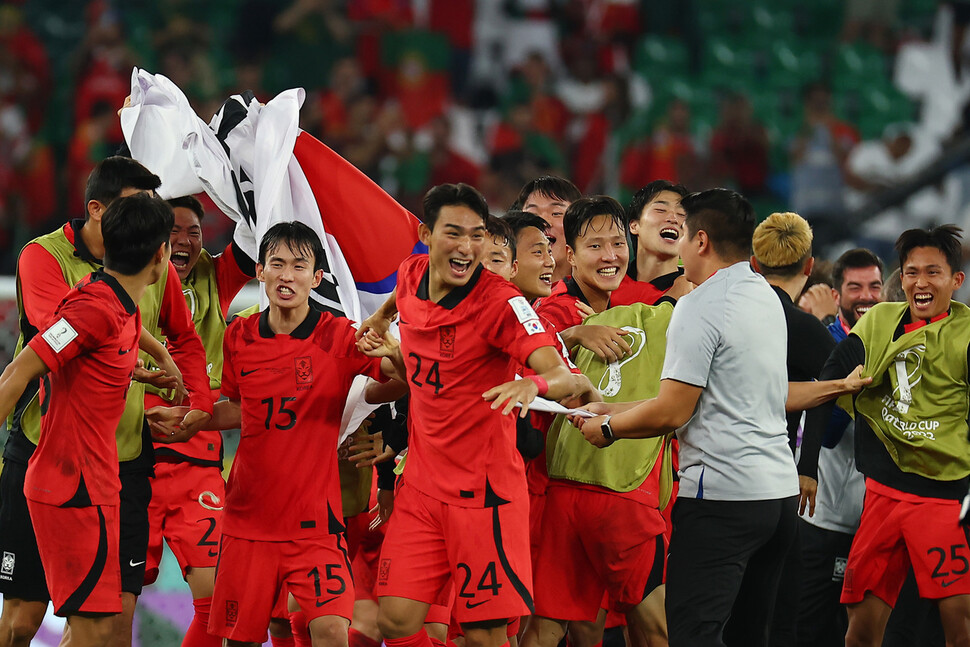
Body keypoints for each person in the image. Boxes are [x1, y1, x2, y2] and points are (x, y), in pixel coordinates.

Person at [570, 189, 868, 647]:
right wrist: (609, 407)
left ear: (702, 240)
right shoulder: (765, 297)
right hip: (778, 500)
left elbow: (673, 410)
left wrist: (608, 429)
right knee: (752, 636)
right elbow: (743, 395)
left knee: (693, 636)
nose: (679, 245)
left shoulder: (699, 305)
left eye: (684, 233)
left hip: (721, 500)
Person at [356, 183, 596, 647]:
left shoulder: (502, 304)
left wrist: (533, 383)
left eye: (477, 235)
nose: (466, 247)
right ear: (426, 234)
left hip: (483, 496)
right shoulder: (411, 273)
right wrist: (382, 319)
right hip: (422, 489)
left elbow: (564, 378)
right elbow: (399, 299)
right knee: (396, 621)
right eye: (454, 233)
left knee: (485, 634)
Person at [149, 221, 404, 647]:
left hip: (315, 526)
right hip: (248, 522)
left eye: (299, 266)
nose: (287, 275)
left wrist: (396, 352)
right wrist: (194, 416)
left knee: (330, 632)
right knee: (242, 640)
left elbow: (401, 381)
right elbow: (239, 408)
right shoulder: (239, 336)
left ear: (317, 277)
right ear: (261, 272)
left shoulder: (339, 336)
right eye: (277, 264)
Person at [0, 156, 212, 647]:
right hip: (68, 483)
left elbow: (144, 330)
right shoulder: (90, 304)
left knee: (106, 633)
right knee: (47, 627)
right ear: (160, 255)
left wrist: (168, 367)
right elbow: (22, 368)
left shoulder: (119, 298)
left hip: (109, 480)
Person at [807, 225, 970, 647]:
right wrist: (807, 468)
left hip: (942, 502)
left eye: (933, 272)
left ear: (956, 280)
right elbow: (828, 381)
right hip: (879, 497)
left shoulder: (967, 334)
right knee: (859, 633)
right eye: (911, 272)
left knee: (960, 627)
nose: (920, 282)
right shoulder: (880, 320)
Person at [524, 195, 672, 647]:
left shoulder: (633, 307)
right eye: (594, 247)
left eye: (616, 243)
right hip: (574, 488)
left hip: (577, 490)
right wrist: (570, 334)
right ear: (569, 254)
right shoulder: (553, 310)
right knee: (652, 630)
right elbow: (519, 355)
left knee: (564, 628)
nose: (610, 256)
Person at [142, 195, 256, 647]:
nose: (185, 240)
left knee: (216, 599)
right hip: (133, 462)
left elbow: (253, 239)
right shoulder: (131, 277)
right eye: (173, 230)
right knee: (113, 599)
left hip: (198, 466)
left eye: (194, 231)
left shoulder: (215, 275)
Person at [749, 212, 838, 646]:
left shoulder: (727, 314)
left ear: (753, 263)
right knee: (780, 608)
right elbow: (834, 385)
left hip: (710, 480)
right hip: (779, 480)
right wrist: (808, 466)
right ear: (808, 266)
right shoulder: (803, 327)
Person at [796, 247, 884, 647]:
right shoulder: (825, 339)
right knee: (813, 628)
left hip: (875, 523)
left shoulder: (891, 343)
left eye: (874, 286)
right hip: (824, 518)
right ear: (837, 294)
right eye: (855, 287)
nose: (866, 296)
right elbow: (828, 430)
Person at [611, 180, 691, 307]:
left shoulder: (695, 291)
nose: (673, 218)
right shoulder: (606, 283)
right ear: (634, 226)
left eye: (681, 214)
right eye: (660, 210)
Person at [513, 176, 582, 284]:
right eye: (532, 215)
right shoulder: (504, 295)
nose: (544, 222)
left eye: (556, 213)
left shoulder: (604, 293)